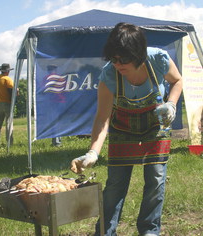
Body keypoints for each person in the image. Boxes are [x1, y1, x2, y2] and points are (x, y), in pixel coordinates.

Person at [70, 23, 183, 236]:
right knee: (115, 186)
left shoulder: (158, 59)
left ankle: (149, 231)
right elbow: (103, 118)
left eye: (124, 59)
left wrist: (172, 103)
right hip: (123, 128)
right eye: (114, 59)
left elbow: (177, 81)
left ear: (138, 54)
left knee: (156, 180)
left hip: (155, 127)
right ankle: (105, 232)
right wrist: (93, 151)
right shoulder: (109, 75)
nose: (118, 64)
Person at [0, 63, 17, 147]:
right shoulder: (7, 79)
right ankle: (9, 143)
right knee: (9, 123)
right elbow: (12, 92)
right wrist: (17, 90)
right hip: (7, 103)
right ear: (7, 71)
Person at [46, 64, 62, 147]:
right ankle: (57, 141)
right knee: (57, 123)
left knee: (54, 123)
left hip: (52, 102)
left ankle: (56, 142)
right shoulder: (60, 78)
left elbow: (43, 90)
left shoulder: (46, 79)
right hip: (61, 102)